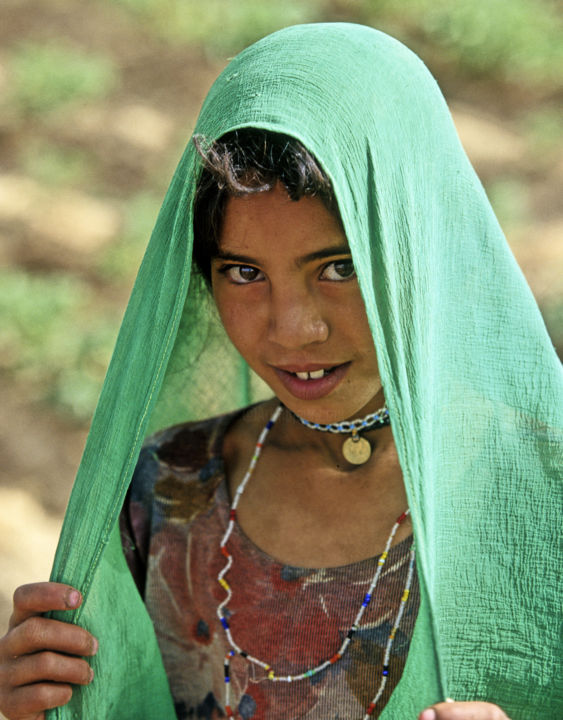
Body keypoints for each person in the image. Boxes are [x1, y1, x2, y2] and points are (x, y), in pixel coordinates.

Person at [0, 22, 561, 720]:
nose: (293, 327)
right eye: (242, 272)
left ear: (423, 245)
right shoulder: (167, 491)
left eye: (338, 267)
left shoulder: (541, 503)